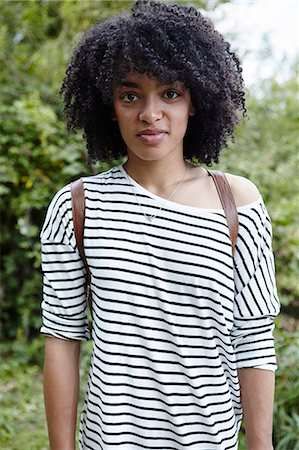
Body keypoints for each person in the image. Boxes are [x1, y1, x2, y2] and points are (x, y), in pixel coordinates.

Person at [40, 1, 280, 449]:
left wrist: (261, 444)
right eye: (130, 95)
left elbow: (253, 341)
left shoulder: (238, 203)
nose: (150, 113)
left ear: (196, 102)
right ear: (110, 106)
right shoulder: (77, 206)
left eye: (170, 93)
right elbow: (62, 338)